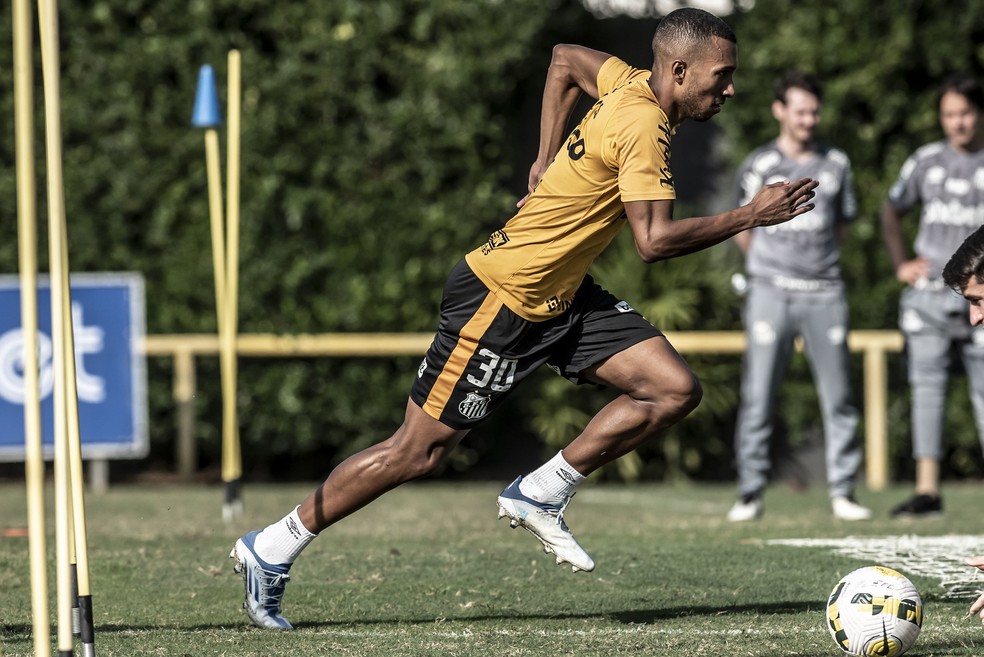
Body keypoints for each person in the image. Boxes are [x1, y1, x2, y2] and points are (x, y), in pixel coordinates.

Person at [230, 7, 818, 630]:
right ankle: (272, 547)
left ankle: (542, 491)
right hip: (502, 298)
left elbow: (564, 58)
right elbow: (654, 241)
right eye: (721, 76)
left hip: (561, 296)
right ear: (678, 69)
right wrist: (749, 215)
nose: (730, 88)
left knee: (672, 389)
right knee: (417, 453)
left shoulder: (626, 82)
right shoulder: (645, 125)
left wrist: (543, 159)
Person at [726, 72, 871, 522]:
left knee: (840, 395)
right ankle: (750, 493)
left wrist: (815, 267)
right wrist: (768, 271)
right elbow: (742, 227)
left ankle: (844, 491)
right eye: (800, 110)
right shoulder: (759, 163)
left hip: (825, 293)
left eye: (814, 110)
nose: (809, 119)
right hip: (770, 292)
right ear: (780, 111)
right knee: (758, 394)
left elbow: (842, 228)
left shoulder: (837, 164)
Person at [881, 73, 984, 518]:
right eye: (948, 114)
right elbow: (891, 208)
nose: (957, 122)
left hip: (981, 296)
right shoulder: (924, 161)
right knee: (927, 390)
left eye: (964, 112)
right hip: (930, 297)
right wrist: (902, 263)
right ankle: (928, 491)